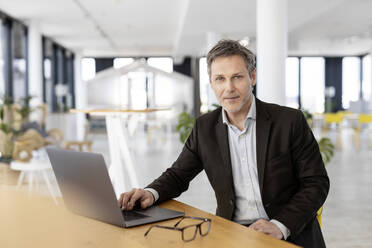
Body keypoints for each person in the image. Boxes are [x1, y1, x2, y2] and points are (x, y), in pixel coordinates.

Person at [118, 39, 329, 247]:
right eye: (220, 78)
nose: (229, 88)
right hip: (231, 233)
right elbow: (178, 175)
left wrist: (280, 225)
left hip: (287, 232)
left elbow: (316, 182)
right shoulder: (205, 128)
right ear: (211, 83)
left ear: (252, 77)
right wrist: (150, 193)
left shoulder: (289, 121)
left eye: (237, 77)